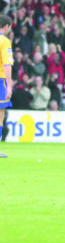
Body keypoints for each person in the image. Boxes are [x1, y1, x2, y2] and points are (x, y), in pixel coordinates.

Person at [0, 15, 13, 158]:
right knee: (0, 114)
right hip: (0, 80)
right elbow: (7, 64)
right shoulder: (4, 41)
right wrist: (9, 85)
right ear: (6, 26)